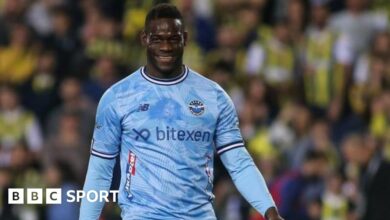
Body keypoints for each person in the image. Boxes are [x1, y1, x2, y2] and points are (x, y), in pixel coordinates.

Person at [80, 3, 283, 220]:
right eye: (158, 39)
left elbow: (238, 162)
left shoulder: (213, 96)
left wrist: (269, 210)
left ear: (185, 39)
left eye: (173, 39)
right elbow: (100, 170)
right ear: (144, 39)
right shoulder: (117, 97)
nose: (166, 47)